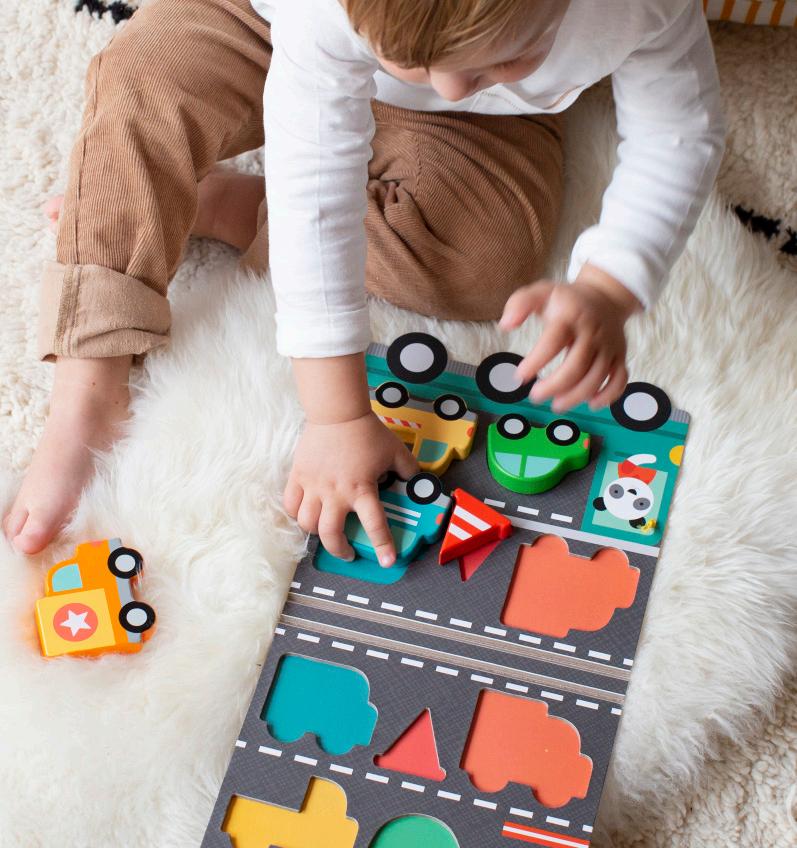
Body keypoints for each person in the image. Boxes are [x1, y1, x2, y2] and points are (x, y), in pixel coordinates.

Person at [3, 0, 725, 563]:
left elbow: (680, 134)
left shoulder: (634, 10)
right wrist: (337, 415)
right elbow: (315, 178)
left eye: (508, 54)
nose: (446, 82)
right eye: (421, 64)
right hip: (268, 27)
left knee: (479, 256)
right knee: (146, 78)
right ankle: (89, 383)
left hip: (483, 122)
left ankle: (229, 205)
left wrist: (609, 285)